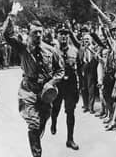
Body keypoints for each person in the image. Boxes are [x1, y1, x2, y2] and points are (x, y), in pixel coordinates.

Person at [3, 2, 64, 157]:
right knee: (33, 124)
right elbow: (7, 36)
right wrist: (12, 15)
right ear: (29, 33)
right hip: (28, 90)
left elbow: (60, 70)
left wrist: (51, 82)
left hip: (46, 93)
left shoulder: (51, 50)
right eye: (35, 32)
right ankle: (37, 154)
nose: (38, 35)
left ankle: (38, 134)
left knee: (42, 121)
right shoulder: (23, 48)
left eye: (40, 32)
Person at [50, 22, 80, 150]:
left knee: (70, 112)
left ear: (69, 37)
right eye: (61, 34)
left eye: (66, 35)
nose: (64, 37)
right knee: (55, 108)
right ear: (57, 36)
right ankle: (53, 121)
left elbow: (79, 68)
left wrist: (78, 87)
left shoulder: (74, 51)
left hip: (70, 85)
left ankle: (70, 139)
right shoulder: (52, 51)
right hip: (58, 84)